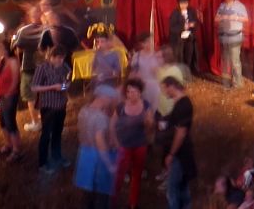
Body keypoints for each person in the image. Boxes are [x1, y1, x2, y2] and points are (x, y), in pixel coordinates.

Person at [75, 90, 120, 209]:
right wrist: (109, 164)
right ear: (103, 97)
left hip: (84, 153)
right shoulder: (100, 117)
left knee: (88, 190)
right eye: (110, 99)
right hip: (98, 158)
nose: (111, 102)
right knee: (102, 192)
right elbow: (100, 142)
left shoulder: (84, 110)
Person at [32, 48, 73, 172]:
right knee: (46, 134)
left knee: (57, 132)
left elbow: (67, 83)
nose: (61, 60)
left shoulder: (64, 67)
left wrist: (64, 87)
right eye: (59, 58)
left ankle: (57, 156)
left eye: (63, 58)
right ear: (52, 57)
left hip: (61, 104)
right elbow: (34, 87)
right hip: (48, 106)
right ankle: (43, 163)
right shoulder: (42, 68)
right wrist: (52, 87)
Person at [114, 79, 153, 207]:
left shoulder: (146, 105)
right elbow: (111, 125)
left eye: (134, 91)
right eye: (128, 91)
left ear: (140, 92)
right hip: (124, 146)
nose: (131, 94)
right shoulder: (121, 107)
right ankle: (112, 201)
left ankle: (133, 204)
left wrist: (148, 123)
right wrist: (116, 142)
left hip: (140, 145)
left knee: (136, 175)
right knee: (119, 175)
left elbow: (150, 126)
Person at [161, 76, 196, 209]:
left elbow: (181, 132)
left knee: (172, 190)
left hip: (180, 154)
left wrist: (171, 154)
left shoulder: (183, 105)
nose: (164, 92)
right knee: (182, 188)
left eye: (165, 89)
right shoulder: (179, 104)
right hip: (181, 153)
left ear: (171, 86)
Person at [13, 4, 48, 132]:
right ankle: (46, 121)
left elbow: (16, 47)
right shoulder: (46, 29)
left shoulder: (24, 31)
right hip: (43, 67)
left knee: (31, 97)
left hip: (29, 67)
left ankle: (36, 123)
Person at [215, 0, 250, 88]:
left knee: (235, 61)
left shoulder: (240, 6)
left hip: (235, 37)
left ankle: (237, 83)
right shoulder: (222, 6)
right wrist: (222, 18)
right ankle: (226, 83)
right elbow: (216, 19)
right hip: (224, 37)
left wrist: (235, 18)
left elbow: (246, 19)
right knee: (225, 61)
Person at [0, 42, 22, 159]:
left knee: (10, 121)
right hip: (2, 95)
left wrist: (9, 92)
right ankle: (8, 144)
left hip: (10, 95)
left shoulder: (13, 61)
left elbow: (16, 79)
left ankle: (16, 150)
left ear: (5, 49)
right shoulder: (3, 61)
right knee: (2, 121)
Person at [168, 0, 201, 75]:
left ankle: (188, 71)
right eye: (182, 3)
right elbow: (172, 28)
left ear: (188, 3)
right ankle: (180, 72)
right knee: (180, 56)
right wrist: (183, 27)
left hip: (189, 38)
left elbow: (196, 22)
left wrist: (193, 24)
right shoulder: (175, 13)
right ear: (179, 4)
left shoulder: (191, 12)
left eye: (185, 3)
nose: (183, 5)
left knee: (189, 55)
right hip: (178, 39)